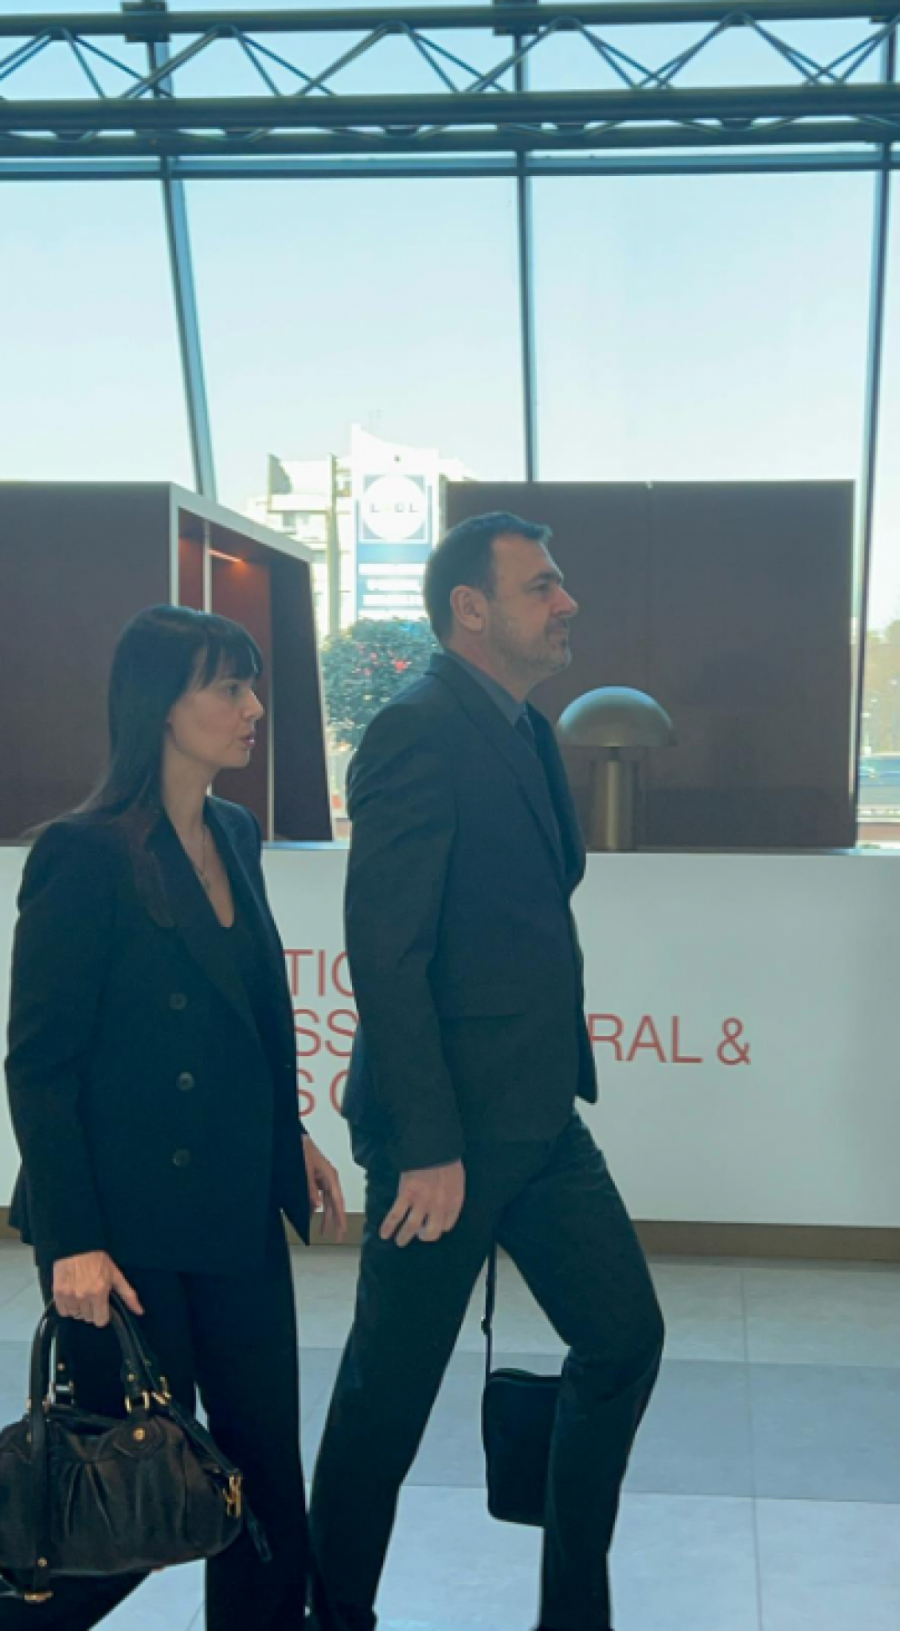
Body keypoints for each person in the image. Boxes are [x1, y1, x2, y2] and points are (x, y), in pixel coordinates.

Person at [309, 512, 665, 1631]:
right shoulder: (414, 730)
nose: (567, 603)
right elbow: (388, 951)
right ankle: (332, 1615)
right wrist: (427, 1144)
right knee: (386, 1402)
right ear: (472, 607)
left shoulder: (525, 728)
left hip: (542, 1122)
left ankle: (573, 1613)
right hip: (444, 1141)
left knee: (625, 1339)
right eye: (542, 585)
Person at [3, 604, 345, 1630]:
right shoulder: (82, 853)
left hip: (234, 1211)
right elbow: (40, 1065)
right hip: (124, 1235)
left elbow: (250, 1016)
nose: (253, 708)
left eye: (251, 685)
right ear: (161, 707)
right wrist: (71, 1240)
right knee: (127, 1491)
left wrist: (289, 1132)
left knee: (260, 1479)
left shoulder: (233, 832)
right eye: (228, 687)